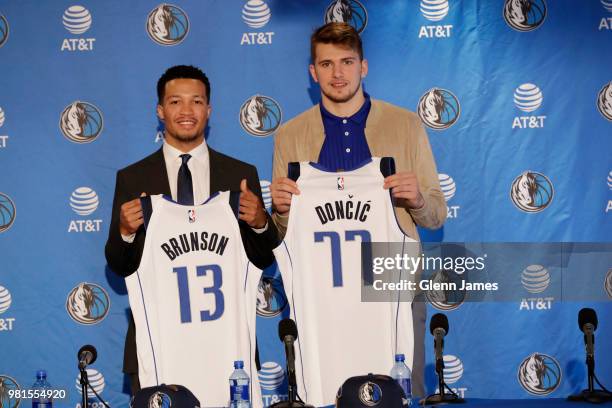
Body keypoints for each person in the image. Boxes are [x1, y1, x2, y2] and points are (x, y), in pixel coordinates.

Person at [270, 23, 446, 397]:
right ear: (312, 72)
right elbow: (281, 233)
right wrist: (282, 210)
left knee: (397, 397)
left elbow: (436, 215)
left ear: (363, 67)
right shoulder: (290, 135)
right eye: (327, 63)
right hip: (323, 294)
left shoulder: (406, 124)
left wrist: (416, 199)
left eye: (347, 62)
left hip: (390, 289)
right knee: (324, 394)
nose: (338, 74)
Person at [105, 65, 278, 396]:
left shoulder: (240, 173)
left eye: (196, 101)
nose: (186, 111)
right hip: (158, 344)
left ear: (209, 110)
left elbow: (262, 257)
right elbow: (119, 265)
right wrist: (125, 231)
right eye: (175, 102)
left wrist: (260, 223)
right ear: (160, 111)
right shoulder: (133, 178)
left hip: (228, 347)